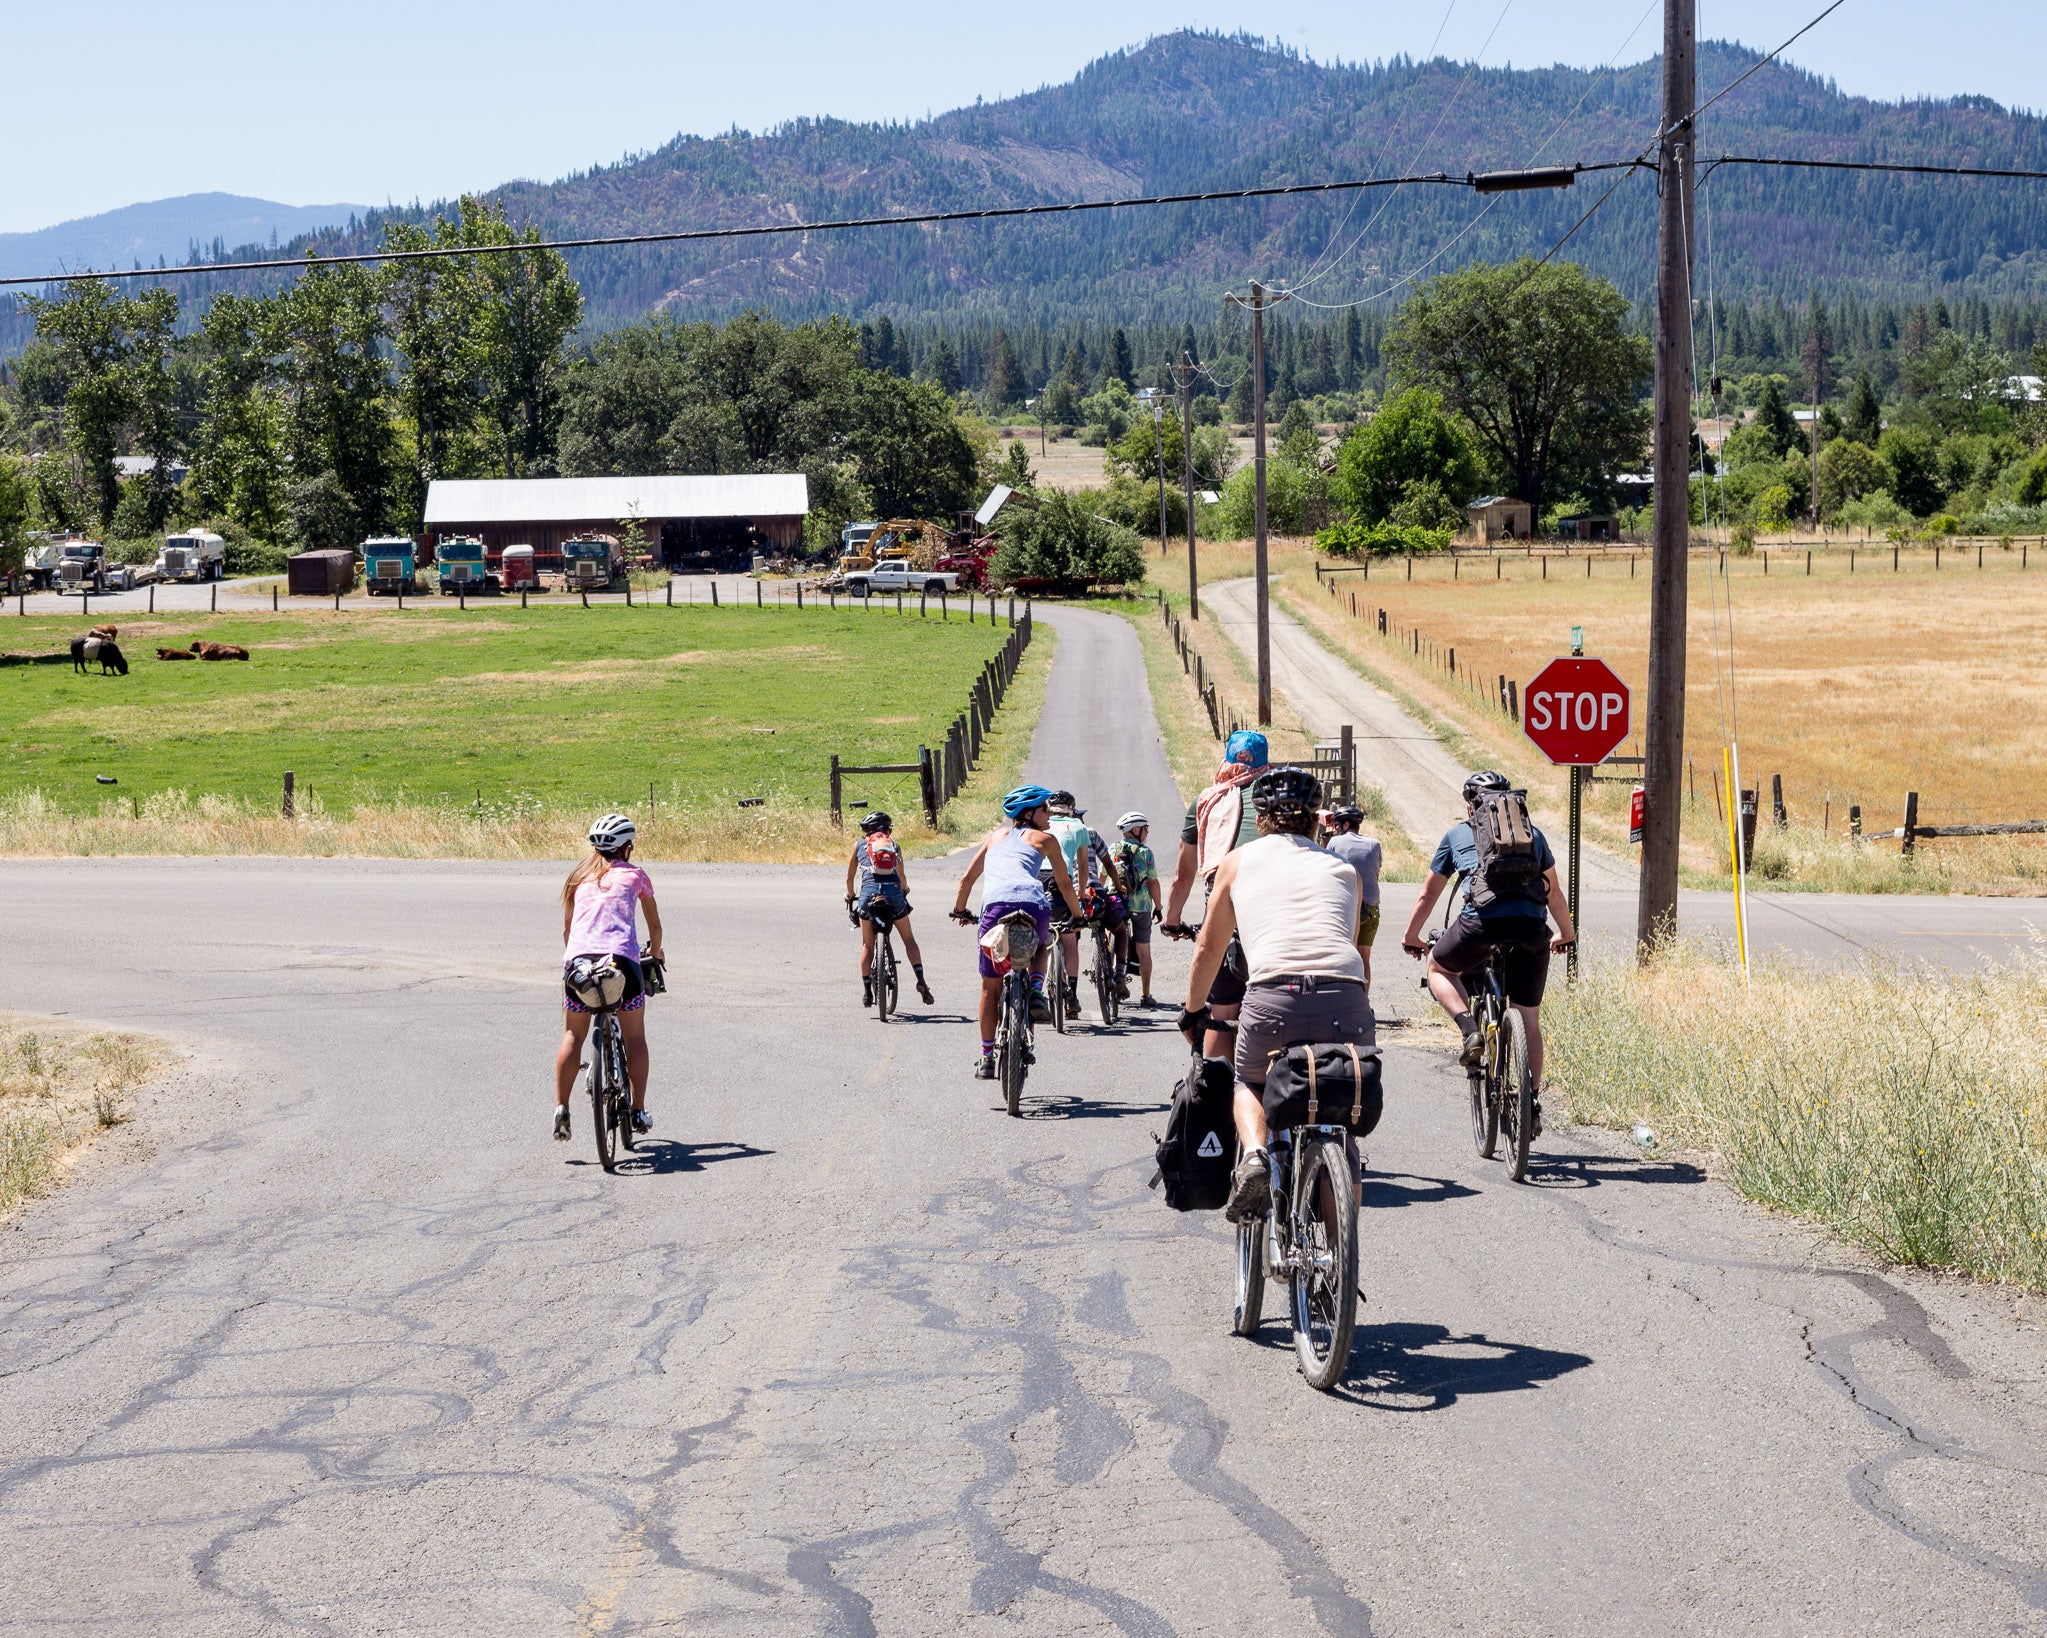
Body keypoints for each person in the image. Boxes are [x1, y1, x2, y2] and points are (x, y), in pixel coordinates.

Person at [1178, 768, 1373, 1222]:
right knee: (1340, 1121)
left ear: (1260, 817)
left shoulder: (1237, 862)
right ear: (1316, 820)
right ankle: (1340, 1262)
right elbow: (1346, 943)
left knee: (1250, 1080)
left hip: (1272, 996)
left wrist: (1193, 1012)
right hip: (1345, 996)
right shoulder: (1344, 870)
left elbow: (1209, 948)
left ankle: (1255, 1157)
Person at [1401, 770, 1577, 1136]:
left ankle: (1470, 1031)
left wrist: (1412, 936)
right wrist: (1566, 933)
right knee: (1528, 1016)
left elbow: (1428, 894)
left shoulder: (1457, 834)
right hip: (1530, 928)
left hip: (1480, 924)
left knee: (1439, 968)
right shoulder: (1532, 834)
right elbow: (1554, 892)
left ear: (1470, 805)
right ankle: (1530, 1101)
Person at [952, 784, 1085, 1080]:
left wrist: (960, 910)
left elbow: (967, 879)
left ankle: (987, 1058)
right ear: (1029, 813)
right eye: (1044, 809)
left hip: (996, 908)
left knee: (990, 987)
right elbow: (1064, 884)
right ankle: (1036, 990)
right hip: (1033, 904)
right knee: (1043, 943)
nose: (1049, 815)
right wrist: (1078, 915)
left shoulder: (994, 838)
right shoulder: (1045, 839)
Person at [554, 813, 664, 1142]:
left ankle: (561, 1108)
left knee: (573, 1036)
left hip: (579, 967)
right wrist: (655, 954)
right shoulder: (636, 876)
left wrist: (574, 959)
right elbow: (655, 928)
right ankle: (638, 1110)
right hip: (622, 964)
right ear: (627, 847)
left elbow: (567, 930)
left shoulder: (578, 876)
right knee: (634, 1039)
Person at [1163, 728, 1268, 1061]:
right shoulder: (1281, 801)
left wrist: (1172, 920)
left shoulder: (1207, 800)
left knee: (1222, 1015)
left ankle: (1216, 1090)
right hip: (1280, 912)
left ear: (1227, 758)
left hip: (1228, 914)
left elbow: (1183, 876)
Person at [843, 809, 934, 1007]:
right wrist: (905, 889)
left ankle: (867, 992)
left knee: (867, 944)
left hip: (868, 894)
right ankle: (920, 980)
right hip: (893, 892)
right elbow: (901, 875)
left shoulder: (859, 845)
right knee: (909, 940)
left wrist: (850, 895)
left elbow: (850, 877)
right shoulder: (894, 846)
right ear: (887, 830)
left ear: (868, 830)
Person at [1040, 791, 1095, 1017]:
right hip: (1061, 882)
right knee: (1070, 938)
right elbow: (1083, 866)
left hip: (1036, 880)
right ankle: (1071, 994)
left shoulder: (1041, 824)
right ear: (1071, 809)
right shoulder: (1079, 827)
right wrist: (1081, 893)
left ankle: (1034, 990)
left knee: (1039, 938)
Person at [1323, 803, 1384, 989]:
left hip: (1347, 906)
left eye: (1336, 826)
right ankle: (1363, 1001)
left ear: (1345, 825)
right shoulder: (1375, 844)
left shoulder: (1334, 842)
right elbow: (1376, 871)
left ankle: (1344, 997)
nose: (1334, 830)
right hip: (1371, 907)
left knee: (1343, 956)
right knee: (1364, 958)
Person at [1112, 812, 1163, 1007]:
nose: (1147, 831)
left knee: (1113, 936)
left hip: (1117, 902)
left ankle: (1111, 975)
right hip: (1140, 906)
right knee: (1144, 950)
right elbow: (1154, 883)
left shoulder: (1112, 849)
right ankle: (1146, 994)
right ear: (1136, 830)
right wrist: (1158, 907)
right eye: (1145, 828)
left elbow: (1102, 877)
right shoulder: (1145, 853)